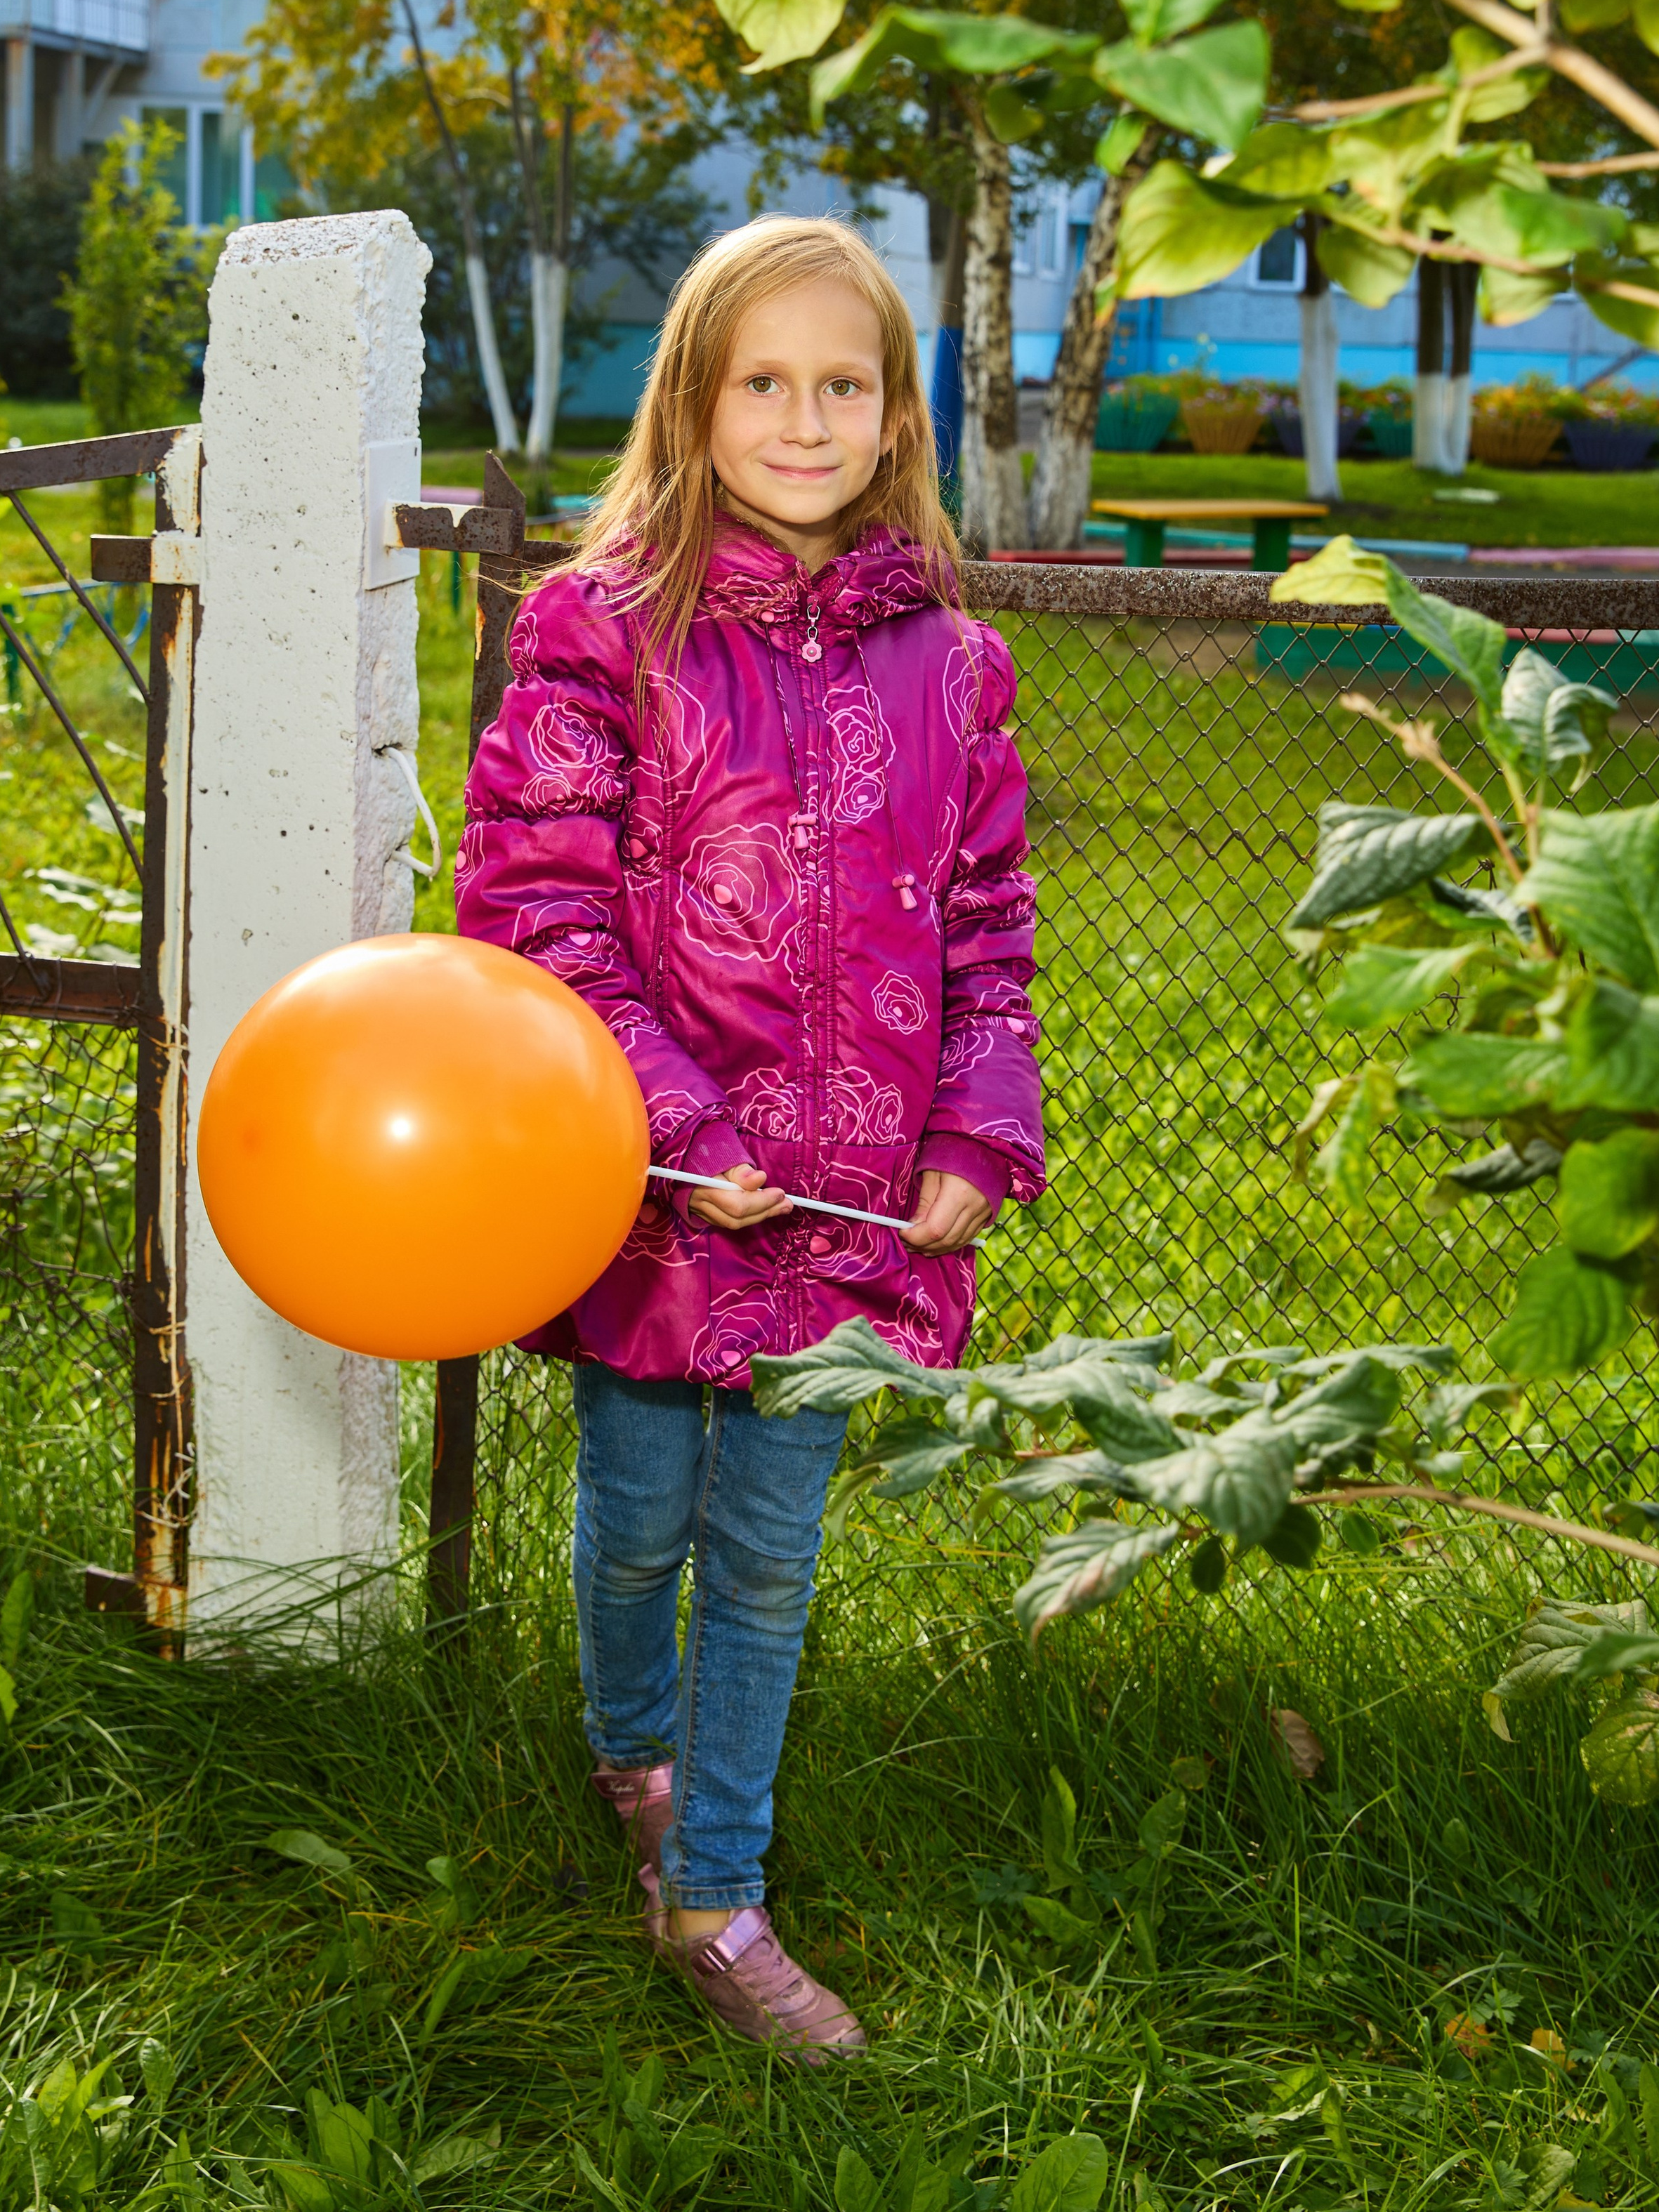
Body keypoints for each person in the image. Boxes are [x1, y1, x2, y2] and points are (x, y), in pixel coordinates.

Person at [455, 213, 1044, 2058]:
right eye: (765, 382)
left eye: (844, 384)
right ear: (696, 404)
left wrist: (979, 1117)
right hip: (647, 1192)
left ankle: (716, 1893)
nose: (805, 418)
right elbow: (532, 910)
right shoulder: (598, 629)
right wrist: (671, 1115)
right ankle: (632, 1751)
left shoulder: (957, 670)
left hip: (850, 1215)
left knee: (770, 1556)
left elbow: (990, 928)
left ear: (896, 419)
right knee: (638, 1522)